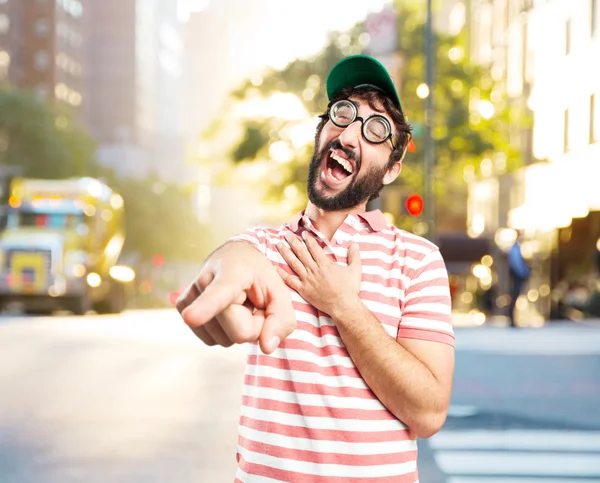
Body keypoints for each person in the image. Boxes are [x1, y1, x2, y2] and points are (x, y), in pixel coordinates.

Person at [176, 54, 455, 482]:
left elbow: (428, 410)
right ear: (321, 132)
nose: (349, 133)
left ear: (391, 169)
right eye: (342, 114)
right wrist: (229, 263)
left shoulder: (416, 259)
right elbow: (236, 257)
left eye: (376, 130)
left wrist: (343, 305)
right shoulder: (268, 245)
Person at [507, 232, 531, 327]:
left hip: (517, 275)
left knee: (514, 297)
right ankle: (511, 319)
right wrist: (524, 273)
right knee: (514, 297)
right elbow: (516, 264)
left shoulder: (517, 248)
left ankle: (512, 319)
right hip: (517, 276)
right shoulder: (515, 249)